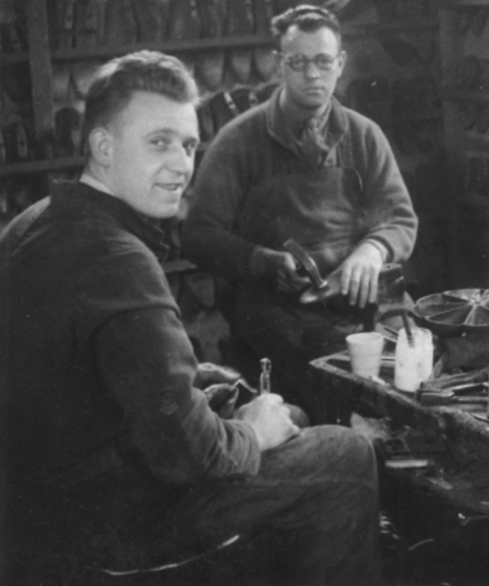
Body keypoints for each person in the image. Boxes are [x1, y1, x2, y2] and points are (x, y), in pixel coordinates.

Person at [0, 51, 381, 584]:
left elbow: (94, 376)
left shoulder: (34, 221)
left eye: (188, 145)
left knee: (276, 413)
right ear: (103, 147)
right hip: (104, 536)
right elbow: (191, 456)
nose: (182, 165)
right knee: (345, 453)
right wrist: (251, 433)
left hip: (36, 518)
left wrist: (196, 384)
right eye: (159, 142)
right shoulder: (117, 259)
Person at [181, 5, 417, 413]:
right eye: (298, 62)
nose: (312, 74)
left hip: (364, 299)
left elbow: (400, 219)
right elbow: (198, 235)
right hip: (276, 309)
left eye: (323, 61)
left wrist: (373, 250)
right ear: (279, 65)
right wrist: (261, 260)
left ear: (340, 64)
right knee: (338, 390)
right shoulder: (238, 142)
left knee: (418, 362)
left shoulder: (365, 136)